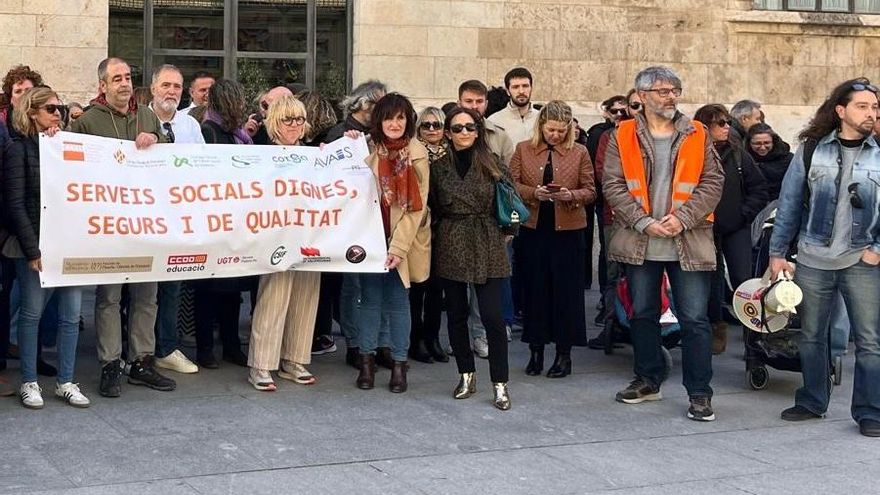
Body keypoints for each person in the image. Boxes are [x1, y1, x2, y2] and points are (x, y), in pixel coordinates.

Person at [602, 66, 723, 421]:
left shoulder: (698, 133)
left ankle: (700, 393)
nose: (671, 96)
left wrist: (682, 219)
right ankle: (648, 380)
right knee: (642, 314)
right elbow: (612, 185)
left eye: (675, 90)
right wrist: (643, 222)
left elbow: (713, 183)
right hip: (641, 241)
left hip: (688, 241)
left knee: (695, 320)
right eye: (662, 90)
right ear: (640, 96)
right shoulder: (621, 135)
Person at [768, 78, 880, 438]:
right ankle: (812, 399)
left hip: (861, 260)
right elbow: (788, 203)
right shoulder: (811, 150)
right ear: (841, 111)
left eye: (874, 107)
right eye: (863, 106)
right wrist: (777, 253)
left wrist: (877, 249)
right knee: (812, 335)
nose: (871, 113)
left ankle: (869, 411)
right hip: (814, 257)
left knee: (869, 341)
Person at [69, 57, 173, 398]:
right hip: (109, 225)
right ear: (103, 85)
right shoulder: (87, 121)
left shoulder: (146, 115)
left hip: (145, 223)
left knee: (147, 296)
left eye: (128, 77)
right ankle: (110, 363)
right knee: (109, 297)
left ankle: (142, 361)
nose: (125, 83)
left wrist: (157, 139)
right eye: (117, 79)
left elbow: (170, 161)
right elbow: (69, 162)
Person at [3, 87, 90, 408]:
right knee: (31, 314)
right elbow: (15, 204)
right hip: (35, 246)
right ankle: (29, 381)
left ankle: (65, 381)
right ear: (32, 113)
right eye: (52, 108)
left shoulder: (63, 147)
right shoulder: (17, 150)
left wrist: (59, 145)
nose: (58, 113)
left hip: (69, 244)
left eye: (61, 108)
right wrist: (32, 251)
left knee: (70, 315)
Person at [429, 106, 513, 410]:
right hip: (452, 239)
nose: (463, 133)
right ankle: (466, 373)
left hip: (487, 240)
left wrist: (507, 232)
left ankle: (500, 382)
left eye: (469, 127)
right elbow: (435, 205)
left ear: (478, 131)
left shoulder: (494, 164)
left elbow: (510, 202)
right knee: (456, 314)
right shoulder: (439, 168)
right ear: (448, 134)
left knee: (492, 316)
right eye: (456, 128)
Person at [348, 93, 431, 393]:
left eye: (400, 118)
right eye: (388, 118)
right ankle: (366, 361)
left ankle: (399, 364)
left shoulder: (417, 152)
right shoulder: (369, 149)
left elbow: (416, 208)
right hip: (371, 237)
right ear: (378, 121)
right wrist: (345, 144)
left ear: (408, 120)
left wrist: (398, 248)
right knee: (369, 301)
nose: (394, 124)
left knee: (398, 303)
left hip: (401, 241)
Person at [510, 101, 595, 378]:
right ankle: (535, 352)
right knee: (534, 291)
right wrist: (534, 193)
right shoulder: (524, 149)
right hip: (534, 229)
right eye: (551, 130)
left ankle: (563, 354)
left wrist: (570, 195)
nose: (555, 135)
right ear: (541, 126)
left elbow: (590, 190)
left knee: (566, 295)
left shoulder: (579, 151)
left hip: (568, 232)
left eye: (560, 131)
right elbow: (510, 185)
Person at [247, 95, 321, 391]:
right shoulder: (261, 155)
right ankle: (261, 364)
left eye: (299, 119)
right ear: (274, 123)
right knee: (273, 297)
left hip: (310, 237)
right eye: (287, 119)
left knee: (306, 297)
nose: (294, 125)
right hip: (274, 237)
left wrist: (348, 145)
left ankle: (294, 359)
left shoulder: (317, 156)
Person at [318, 80, 389, 366]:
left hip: (377, 216)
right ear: (363, 103)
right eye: (377, 104)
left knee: (379, 285)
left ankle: (379, 342)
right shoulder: (341, 133)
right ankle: (355, 343)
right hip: (352, 219)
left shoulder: (380, 133)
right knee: (353, 286)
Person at [694, 104, 768, 355]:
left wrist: (743, 214)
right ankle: (717, 328)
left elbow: (759, 189)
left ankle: (753, 337)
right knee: (710, 282)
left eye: (727, 122)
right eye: (720, 123)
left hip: (736, 228)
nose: (726, 127)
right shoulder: (692, 154)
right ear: (705, 127)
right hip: (704, 228)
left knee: (744, 281)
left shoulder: (738, 154)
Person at [148, 64, 205, 375]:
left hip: (178, 219)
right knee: (141, 291)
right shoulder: (138, 120)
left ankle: (166, 347)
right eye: (166, 85)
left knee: (172, 286)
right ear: (154, 88)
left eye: (177, 87)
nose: (172, 92)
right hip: (144, 218)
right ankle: (139, 350)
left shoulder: (190, 126)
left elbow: (202, 165)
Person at [195, 78, 253, 369]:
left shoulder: (239, 135)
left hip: (237, 221)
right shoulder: (209, 131)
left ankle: (231, 344)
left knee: (233, 289)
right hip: (213, 219)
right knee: (209, 288)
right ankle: (205, 348)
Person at [457, 79, 516, 357]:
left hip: (491, 224)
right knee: (459, 287)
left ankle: (484, 333)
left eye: (479, 101)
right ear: (460, 102)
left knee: (488, 284)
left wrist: (509, 224)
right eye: (469, 101)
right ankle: (462, 335)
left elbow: (508, 184)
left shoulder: (499, 136)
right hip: (457, 223)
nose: (474, 107)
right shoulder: (450, 131)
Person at [408, 106, 449, 363]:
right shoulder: (414, 151)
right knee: (417, 286)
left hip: (445, 227)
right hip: (420, 225)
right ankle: (416, 339)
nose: (432, 129)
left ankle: (433, 338)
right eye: (426, 125)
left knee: (438, 288)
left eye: (437, 125)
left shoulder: (453, 152)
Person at [487, 67, 539, 146]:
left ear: (531, 88)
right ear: (508, 91)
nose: (521, 91)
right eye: (515, 87)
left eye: (525, 86)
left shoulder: (542, 118)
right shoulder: (494, 121)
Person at [746, 123, 793, 201]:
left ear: (773, 142)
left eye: (766, 143)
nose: (762, 148)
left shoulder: (788, 159)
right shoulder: (744, 160)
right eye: (757, 144)